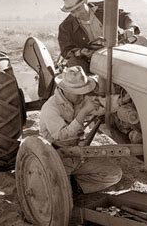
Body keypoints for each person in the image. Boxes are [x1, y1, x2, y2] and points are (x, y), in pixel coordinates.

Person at [39, 65, 122, 193]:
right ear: (65, 89)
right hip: (57, 156)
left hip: (78, 154)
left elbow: (102, 105)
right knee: (52, 191)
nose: (82, 96)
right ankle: (65, 186)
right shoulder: (50, 108)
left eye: (84, 92)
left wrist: (121, 101)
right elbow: (61, 135)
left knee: (114, 174)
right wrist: (83, 113)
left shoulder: (81, 99)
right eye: (78, 93)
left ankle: (75, 186)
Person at [58, 0, 140, 73]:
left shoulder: (105, 8)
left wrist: (131, 28)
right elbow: (66, 50)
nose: (77, 14)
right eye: (72, 12)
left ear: (85, 1)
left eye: (78, 9)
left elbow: (124, 16)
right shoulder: (65, 27)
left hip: (117, 51)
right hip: (90, 61)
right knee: (74, 65)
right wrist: (80, 52)